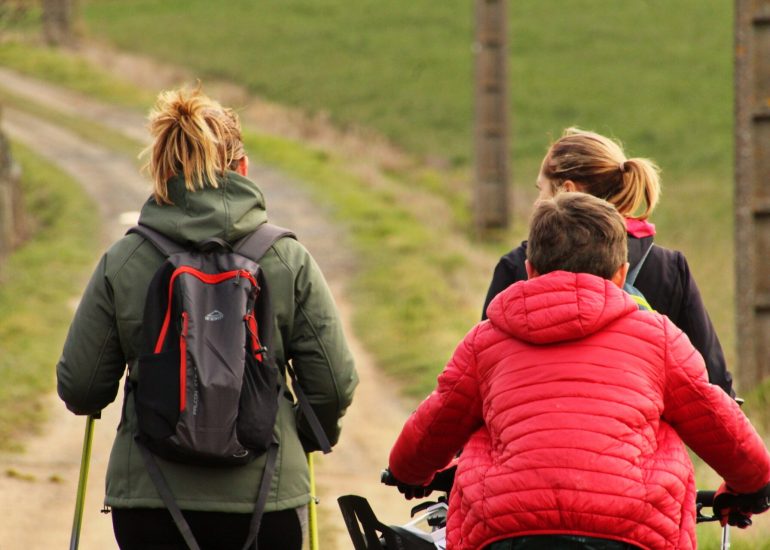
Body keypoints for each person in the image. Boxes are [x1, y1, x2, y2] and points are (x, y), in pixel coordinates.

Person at [56, 86, 358, 549]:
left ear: (162, 172)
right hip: (268, 500)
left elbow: (82, 387)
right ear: (242, 168)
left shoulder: (125, 259)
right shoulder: (287, 258)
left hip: (150, 504)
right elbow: (334, 384)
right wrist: (300, 433)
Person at [388, 192, 770, 550]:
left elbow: (436, 424)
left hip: (507, 529)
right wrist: (752, 486)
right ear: (621, 275)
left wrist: (409, 471)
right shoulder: (660, 339)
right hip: (630, 529)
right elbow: (719, 423)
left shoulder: (485, 341)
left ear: (529, 269)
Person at [481, 128, 734, 397]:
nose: (536, 203)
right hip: (639, 436)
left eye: (540, 189)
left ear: (566, 191)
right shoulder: (669, 269)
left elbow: (483, 375)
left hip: (531, 432)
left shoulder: (520, 265)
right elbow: (714, 385)